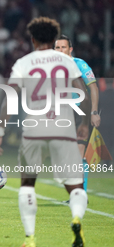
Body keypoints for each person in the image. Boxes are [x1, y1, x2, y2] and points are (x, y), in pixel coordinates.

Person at [0, 17, 90, 247]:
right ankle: (76, 218)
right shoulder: (66, 62)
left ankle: (30, 238)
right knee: (75, 185)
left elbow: (10, 98)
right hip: (63, 129)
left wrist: (0, 132)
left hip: (33, 131)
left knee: (27, 184)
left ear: (33, 39)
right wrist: (84, 121)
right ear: (55, 40)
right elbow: (82, 92)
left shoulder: (24, 62)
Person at [55, 35, 100, 193]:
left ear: (70, 49)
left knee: (79, 153)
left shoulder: (80, 64)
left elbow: (93, 88)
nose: (61, 50)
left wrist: (93, 112)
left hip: (80, 110)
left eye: (64, 47)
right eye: (57, 48)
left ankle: (80, 194)